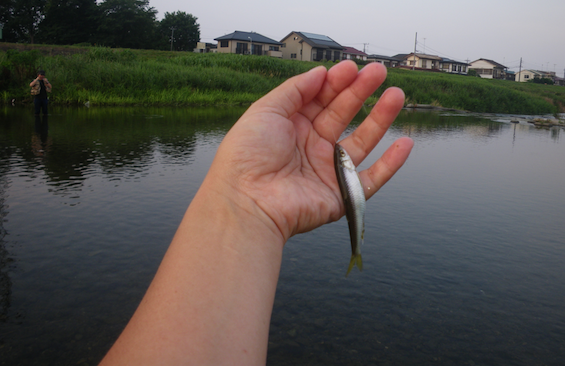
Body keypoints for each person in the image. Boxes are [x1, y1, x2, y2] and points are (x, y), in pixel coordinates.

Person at [99, 60, 414, 366]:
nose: (342, 155)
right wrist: (247, 200)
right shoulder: (337, 159)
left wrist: (245, 207)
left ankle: (355, 250)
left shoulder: (337, 161)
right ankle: (356, 251)